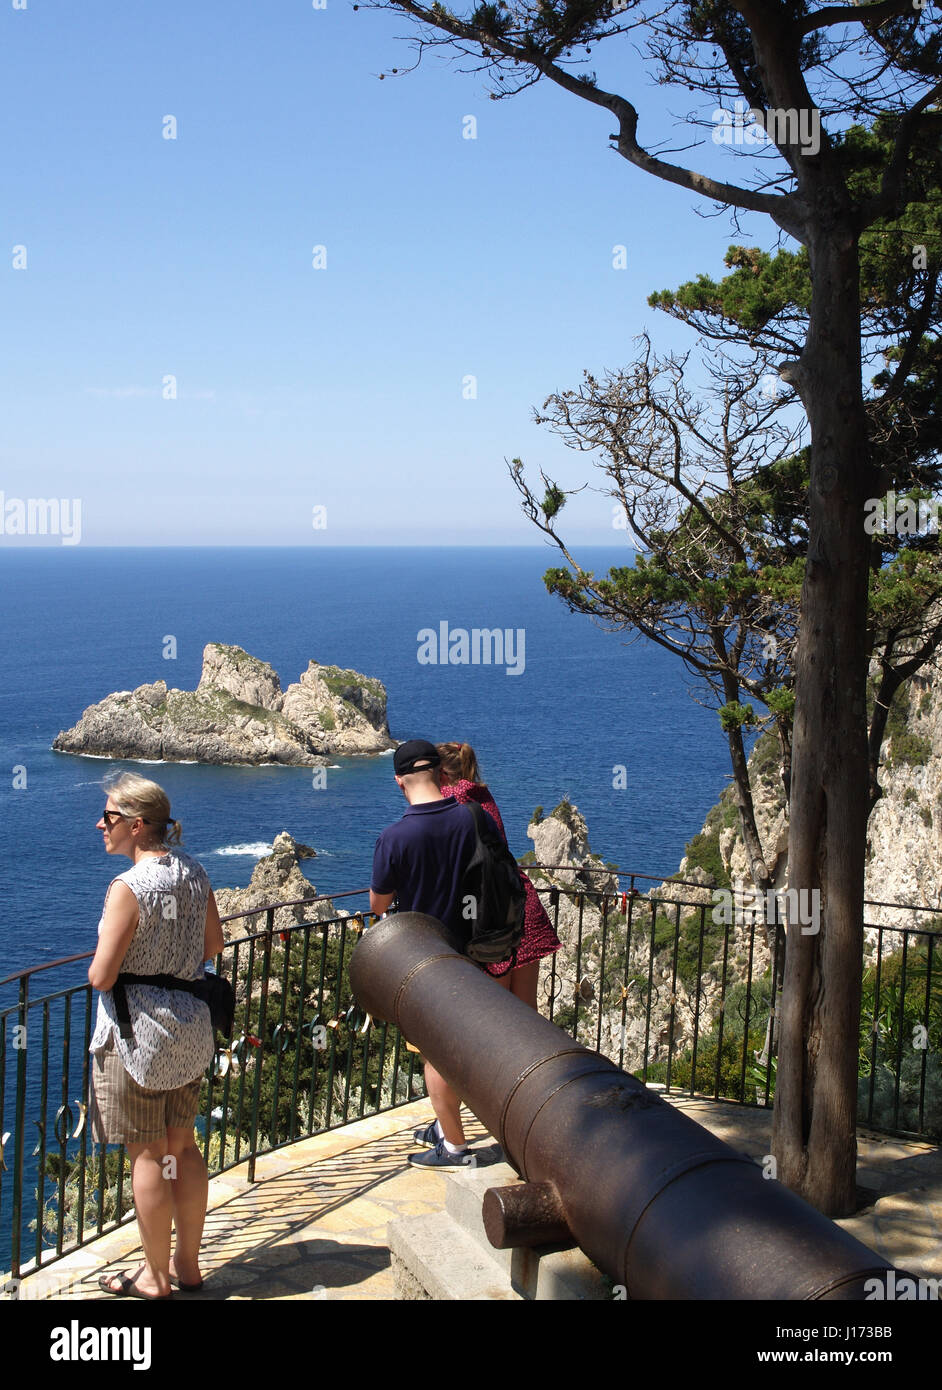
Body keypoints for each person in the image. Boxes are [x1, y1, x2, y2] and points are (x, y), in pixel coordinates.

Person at [88, 772, 224, 1300]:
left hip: (137, 1037)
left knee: (147, 1157)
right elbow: (211, 942)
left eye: (110, 817)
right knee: (181, 1150)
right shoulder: (192, 869)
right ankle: (187, 1267)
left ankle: (155, 1278)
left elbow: (101, 976)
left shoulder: (128, 888)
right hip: (188, 1032)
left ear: (138, 825)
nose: (100, 824)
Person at [370, 739, 488, 1170]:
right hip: (473, 949)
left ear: (399, 782)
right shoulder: (472, 819)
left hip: (425, 956)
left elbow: (378, 905)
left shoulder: (394, 837)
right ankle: (446, 1127)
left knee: (435, 1053)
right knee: (459, 1044)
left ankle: (455, 1147)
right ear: (441, 774)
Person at [436, 741, 562, 1011]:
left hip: (491, 918)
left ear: (442, 775)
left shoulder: (449, 798)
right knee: (526, 1012)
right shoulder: (481, 794)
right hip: (522, 904)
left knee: (496, 1016)